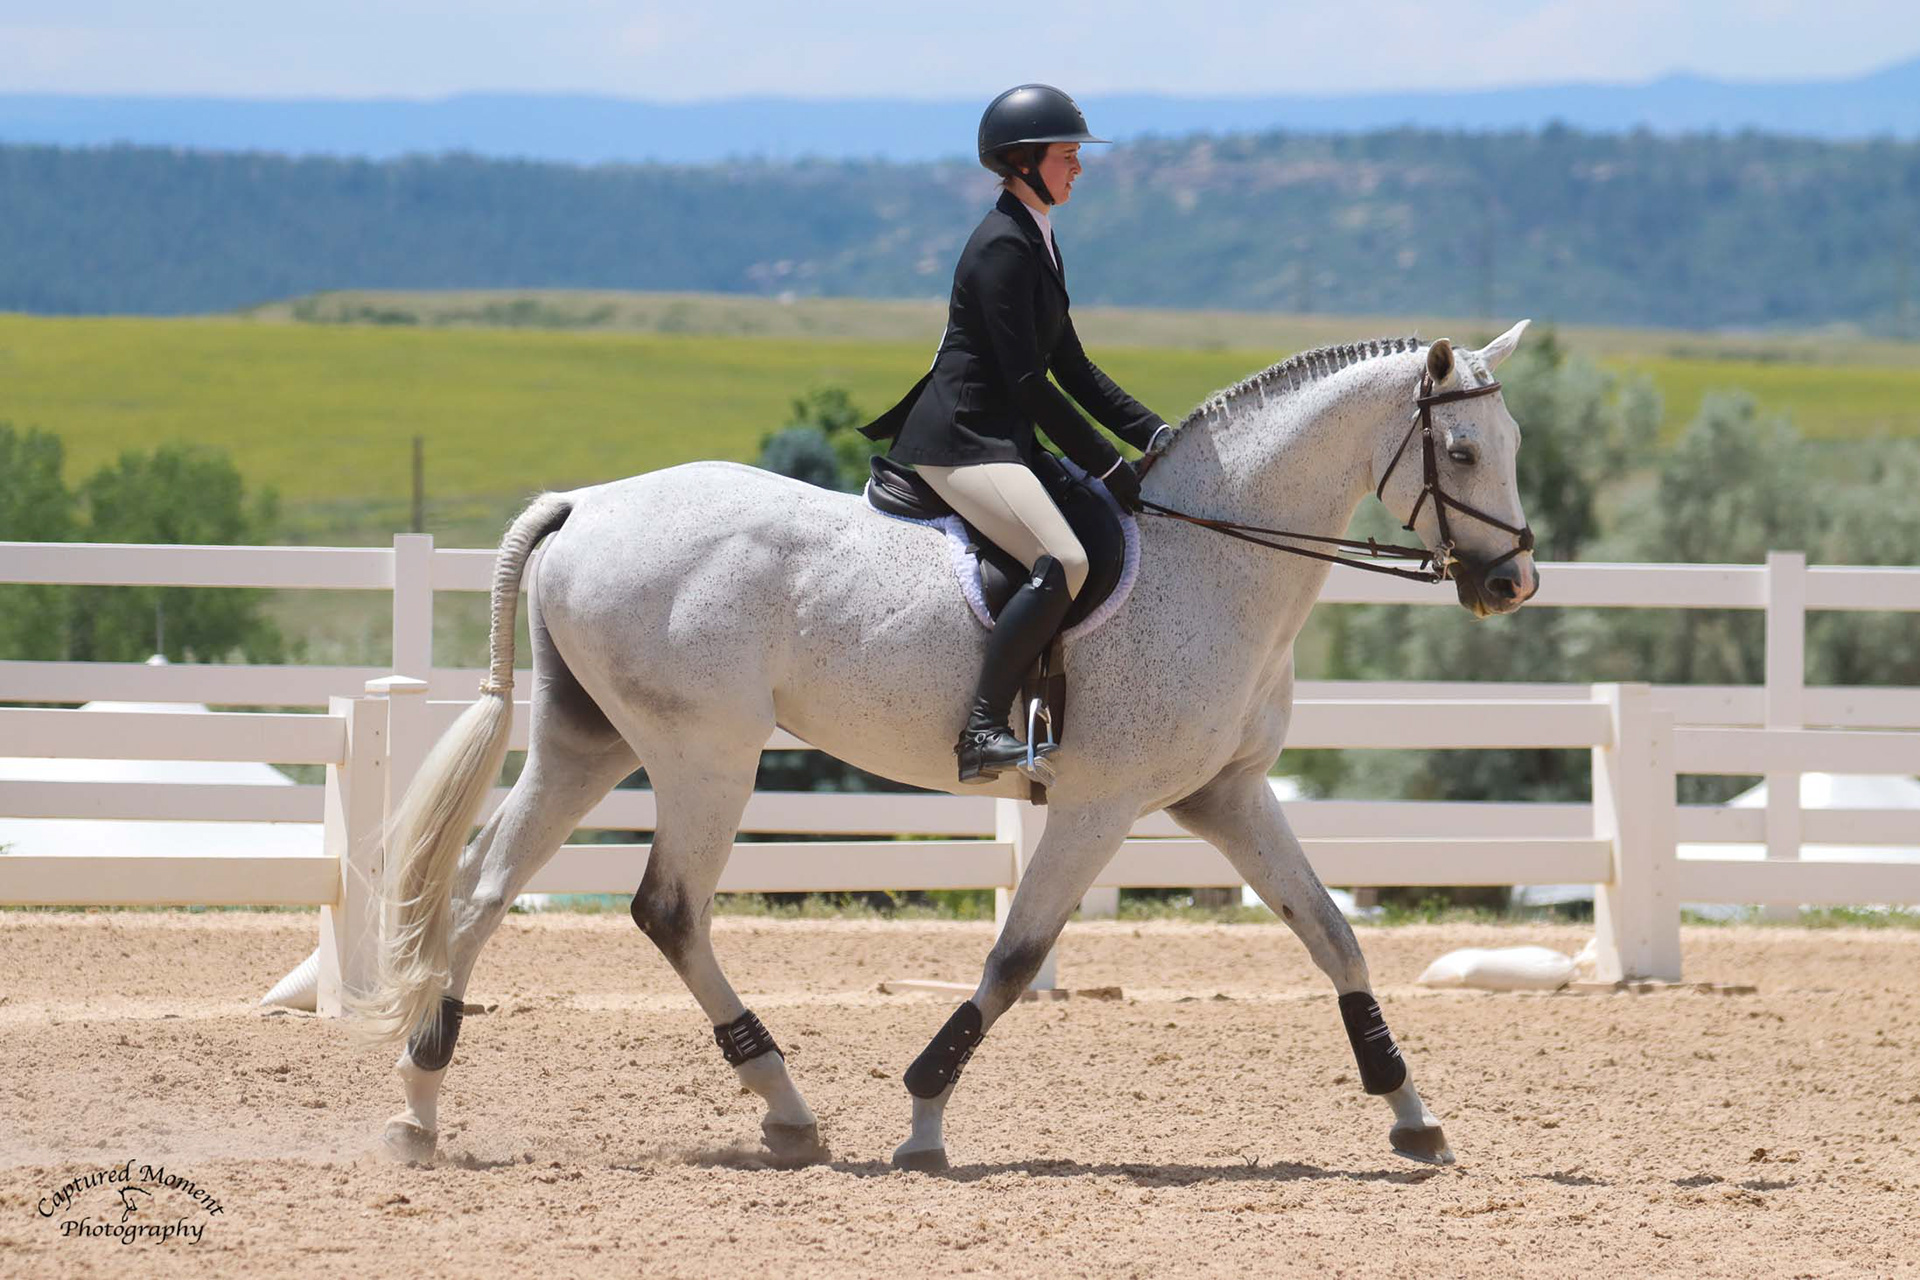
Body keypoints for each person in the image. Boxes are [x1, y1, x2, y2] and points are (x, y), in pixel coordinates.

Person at [859, 83, 1173, 784]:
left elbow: (1075, 368)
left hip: (1003, 437)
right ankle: (978, 730)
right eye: (1068, 156)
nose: (1079, 169)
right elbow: (1031, 384)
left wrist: (1154, 432)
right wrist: (1109, 465)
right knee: (1063, 560)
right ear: (1024, 160)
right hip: (960, 440)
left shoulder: (1037, 238)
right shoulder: (1003, 245)